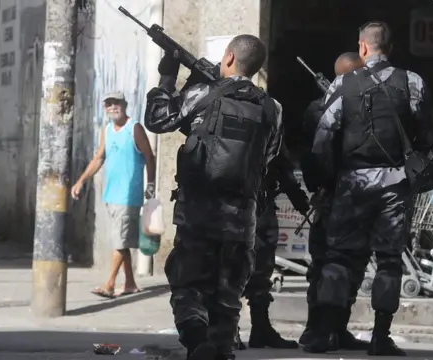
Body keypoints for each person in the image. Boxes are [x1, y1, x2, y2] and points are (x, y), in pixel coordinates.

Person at [144, 34, 283, 360]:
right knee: (228, 292)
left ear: (230, 57)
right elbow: (269, 155)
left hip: (198, 213)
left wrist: (168, 75)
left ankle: (198, 343)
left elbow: (158, 118)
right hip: (242, 216)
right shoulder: (272, 108)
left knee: (189, 284)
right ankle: (220, 349)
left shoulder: (203, 93)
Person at [307, 22, 433, 355]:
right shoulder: (412, 82)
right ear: (390, 48)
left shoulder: (343, 83)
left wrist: (324, 181)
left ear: (362, 47)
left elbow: (324, 136)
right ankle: (380, 336)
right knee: (389, 261)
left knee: (339, 258)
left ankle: (327, 332)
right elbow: (428, 134)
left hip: (352, 184)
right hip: (396, 186)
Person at [299, 52, 368, 350]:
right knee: (331, 266)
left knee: (341, 265)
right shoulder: (326, 108)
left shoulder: (321, 108)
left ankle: (333, 328)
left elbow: (312, 156)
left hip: (339, 196)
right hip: (347, 196)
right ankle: (320, 328)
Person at [71, 91, 156, 299]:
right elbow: (99, 157)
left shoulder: (134, 128)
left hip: (128, 195)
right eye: (108, 104)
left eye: (115, 103)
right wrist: (81, 180)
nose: (112, 107)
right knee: (122, 240)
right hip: (111, 195)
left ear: (124, 105)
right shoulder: (107, 130)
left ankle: (109, 284)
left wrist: (151, 184)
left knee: (119, 241)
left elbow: (149, 156)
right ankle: (130, 283)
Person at [235, 145, 309, 350]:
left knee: (261, 269)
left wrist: (296, 194)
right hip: (231, 202)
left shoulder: (267, 117)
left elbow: (280, 160)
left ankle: (261, 328)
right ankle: (228, 329)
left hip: (260, 201)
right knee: (232, 268)